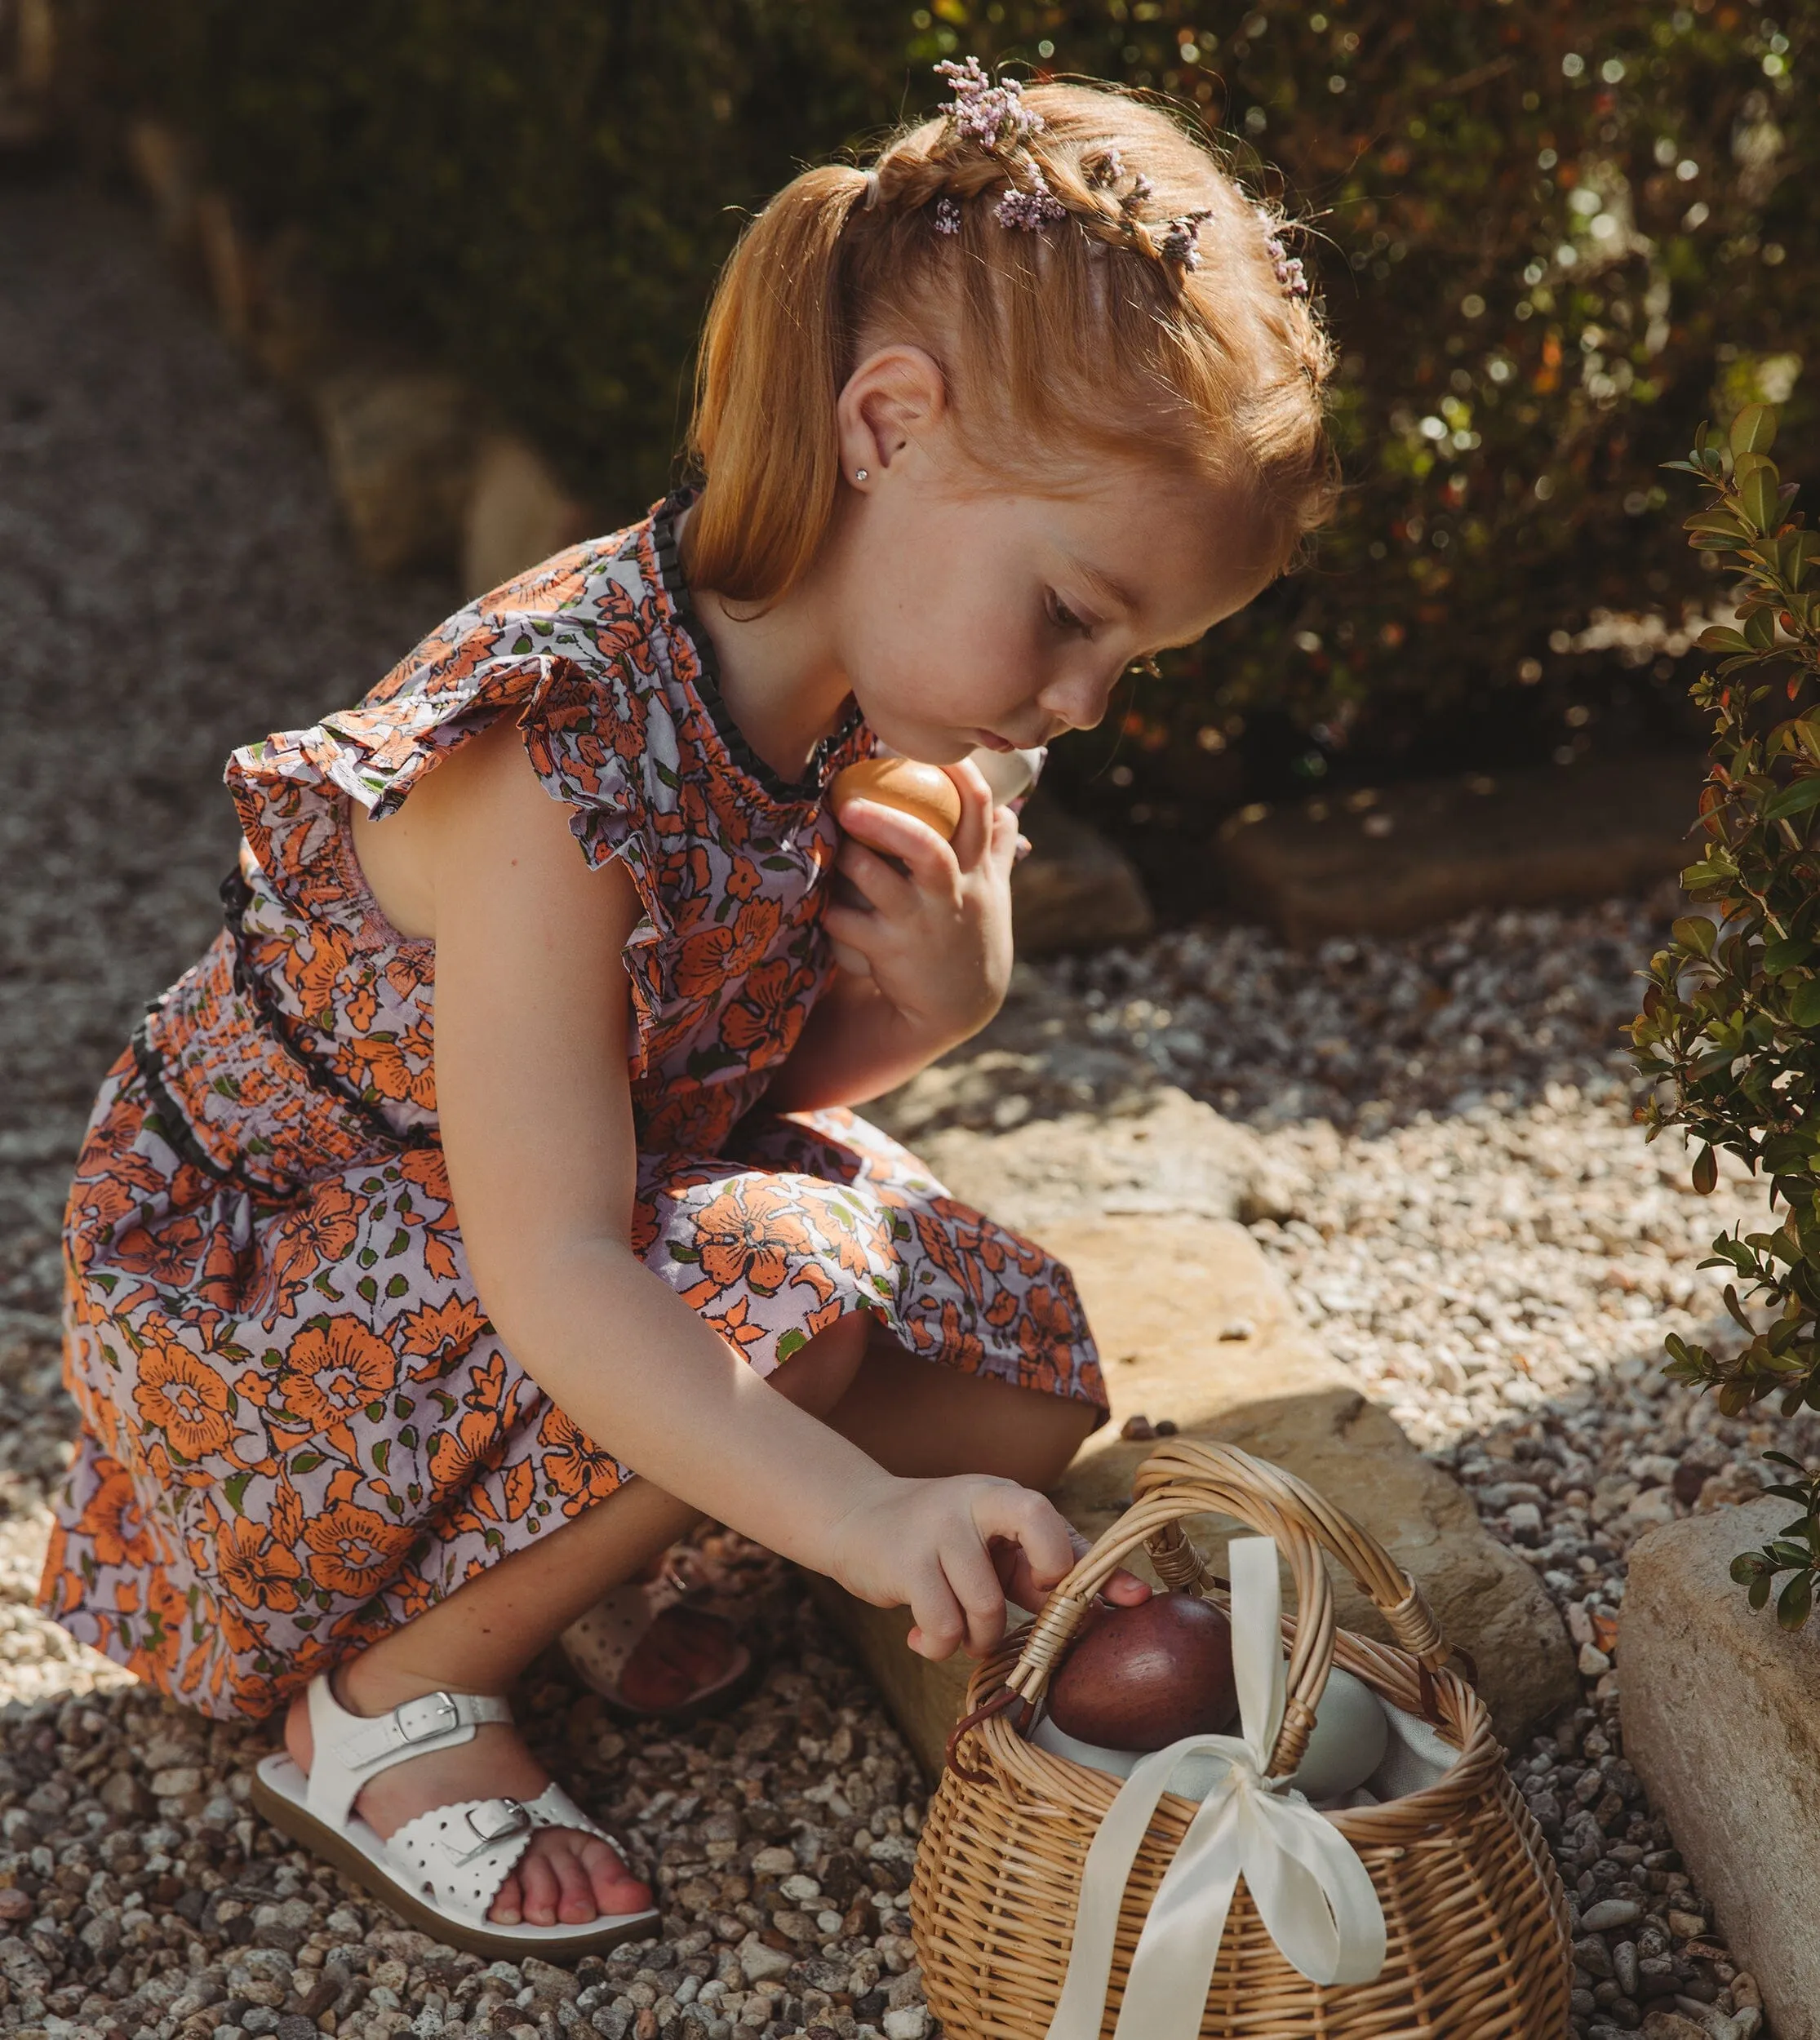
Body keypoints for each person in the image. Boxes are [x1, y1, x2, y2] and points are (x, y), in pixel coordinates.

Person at [40, 64, 1334, 1954]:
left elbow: (689, 1104)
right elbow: (564, 1250)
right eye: (1070, 610)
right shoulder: (555, 754)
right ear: (888, 425)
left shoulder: (823, 714)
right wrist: (858, 1520)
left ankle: (582, 1541)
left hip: (466, 1265)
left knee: (1021, 1374)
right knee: (792, 1304)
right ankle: (390, 1699)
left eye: (1128, 653)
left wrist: (934, 1006)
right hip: (262, 1318)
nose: (1080, 698)